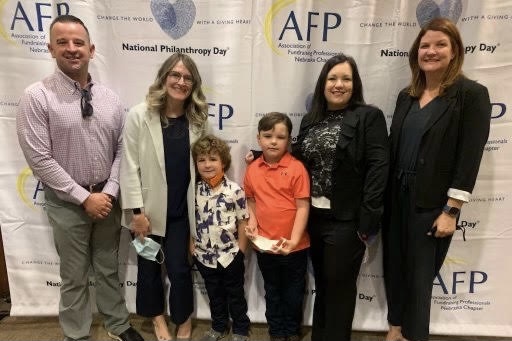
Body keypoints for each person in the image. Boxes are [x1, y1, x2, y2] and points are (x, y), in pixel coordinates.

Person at [16, 15, 144, 341]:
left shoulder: (111, 99)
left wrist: (109, 192)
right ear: (50, 48)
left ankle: (117, 324)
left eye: (78, 43)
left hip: (108, 201)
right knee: (73, 275)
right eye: (63, 42)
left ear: (91, 48)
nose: (72, 49)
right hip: (67, 204)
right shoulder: (37, 96)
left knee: (107, 267)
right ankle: (76, 333)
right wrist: (84, 197)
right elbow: (39, 159)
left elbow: (121, 150)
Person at [383, 18, 491, 341]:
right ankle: (395, 329)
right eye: (425, 45)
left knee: (419, 278)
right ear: (416, 52)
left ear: (455, 50)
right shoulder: (407, 95)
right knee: (394, 266)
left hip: (431, 204)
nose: (431, 51)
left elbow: (470, 156)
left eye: (440, 45)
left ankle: (415, 336)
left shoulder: (471, 95)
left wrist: (452, 210)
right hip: (396, 196)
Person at [292, 54, 389, 341]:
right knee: (323, 286)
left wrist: (366, 223)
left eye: (346, 78)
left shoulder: (369, 117)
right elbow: (299, 159)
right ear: (323, 83)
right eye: (332, 78)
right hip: (314, 219)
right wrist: (262, 156)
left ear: (355, 84)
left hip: (347, 222)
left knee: (339, 290)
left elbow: (378, 168)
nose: (339, 84)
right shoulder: (311, 120)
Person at [119, 52, 210, 341]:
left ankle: (183, 320)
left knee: (180, 270)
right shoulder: (139, 115)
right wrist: (137, 214)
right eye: (175, 75)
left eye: (187, 77)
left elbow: (205, 163)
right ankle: (158, 321)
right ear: (164, 78)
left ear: (193, 84)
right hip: (146, 213)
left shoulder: (197, 119)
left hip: (181, 213)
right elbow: (129, 165)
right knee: (148, 269)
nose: (181, 81)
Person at [244, 112, 310, 341]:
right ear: (259, 138)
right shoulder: (252, 169)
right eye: (268, 135)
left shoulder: (297, 168)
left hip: (295, 247)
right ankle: (276, 331)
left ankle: (291, 331)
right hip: (265, 246)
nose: (273, 141)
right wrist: (252, 223)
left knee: (293, 293)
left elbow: (302, 207)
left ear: (289, 140)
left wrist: (292, 241)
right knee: (272, 291)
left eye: (280, 137)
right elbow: (251, 200)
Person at [191, 135, 250, 341]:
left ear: (223, 161)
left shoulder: (235, 190)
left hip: (230, 255)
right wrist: (192, 249)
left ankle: (241, 327)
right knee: (214, 294)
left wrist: (241, 251)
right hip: (204, 256)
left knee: (235, 294)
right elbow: (190, 222)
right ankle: (218, 325)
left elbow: (243, 221)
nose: (207, 164)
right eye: (201, 159)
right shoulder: (193, 191)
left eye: (213, 159)